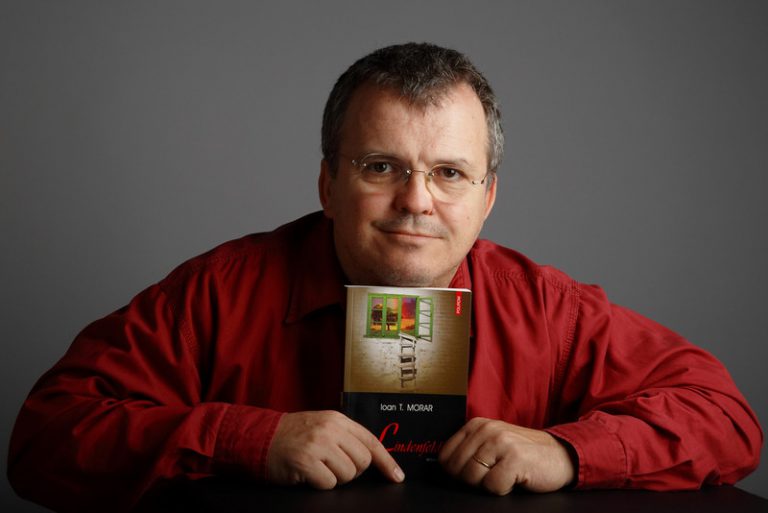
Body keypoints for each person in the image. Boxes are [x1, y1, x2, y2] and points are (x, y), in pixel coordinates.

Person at [8, 42, 762, 512]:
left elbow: (725, 419)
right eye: (381, 167)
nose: (416, 201)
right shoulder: (218, 293)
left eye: (450, 173)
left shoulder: (549, 311)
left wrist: (566, 453)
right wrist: (245, 437)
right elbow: (44, 437)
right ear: (328, 183)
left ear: (487, 198)